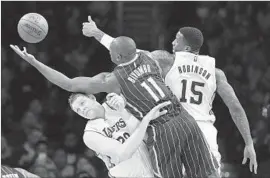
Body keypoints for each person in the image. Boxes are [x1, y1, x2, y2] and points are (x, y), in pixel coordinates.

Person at [10, 30, 219, 178]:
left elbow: (69, 83)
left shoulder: (113, 81)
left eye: (112, 52)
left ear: (117, 56)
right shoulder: (148, 57)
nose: (109, 53)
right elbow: (122, 47)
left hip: (163, 128)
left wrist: (34, 62)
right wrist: (98, 33)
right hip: (186, 119)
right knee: (207, 173)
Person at [81, 17, 257, 174]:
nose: (172, 42)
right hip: (204, 129)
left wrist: (97, 33)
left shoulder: (166, 60)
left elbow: (129, 54)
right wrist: (248, 143)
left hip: (172, 126)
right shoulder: (216, 72)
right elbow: (236, 108)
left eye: (177, 40)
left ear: (186, 47)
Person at [69, 92, 170, 177]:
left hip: (155, 167)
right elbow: (123, 153)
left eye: (82, 103)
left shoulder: (116, 103)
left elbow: (144, 135)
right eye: (78, 110)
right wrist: (146, 120)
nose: (82, 109)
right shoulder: (89, 134)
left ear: (92, 97)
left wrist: (123, 110)